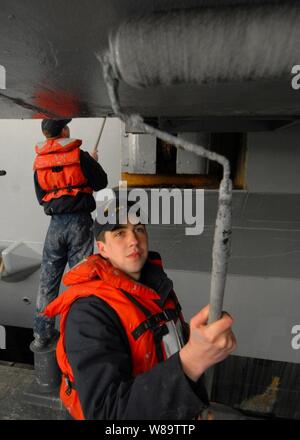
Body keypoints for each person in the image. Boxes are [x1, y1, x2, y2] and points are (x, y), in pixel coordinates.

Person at [44, 195, 237, 420]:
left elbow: (168, 346)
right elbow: (107, 414)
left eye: (139, 229)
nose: (134, 240)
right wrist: (193, 360)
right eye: (120, 233)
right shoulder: (89, 312)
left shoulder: (156, 288)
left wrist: (195, 406)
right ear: (102, 248)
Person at [33, 118, 108, 349]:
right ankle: (78, 333)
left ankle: (42, 334)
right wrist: (93, 162)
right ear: (64, 130)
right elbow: (101, 183)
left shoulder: (39, 161)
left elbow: (40, 197)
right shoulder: (79, 155)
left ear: (46, 134)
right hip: (80, 223)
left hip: (55, 226)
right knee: (81, 280)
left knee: (48, 280)